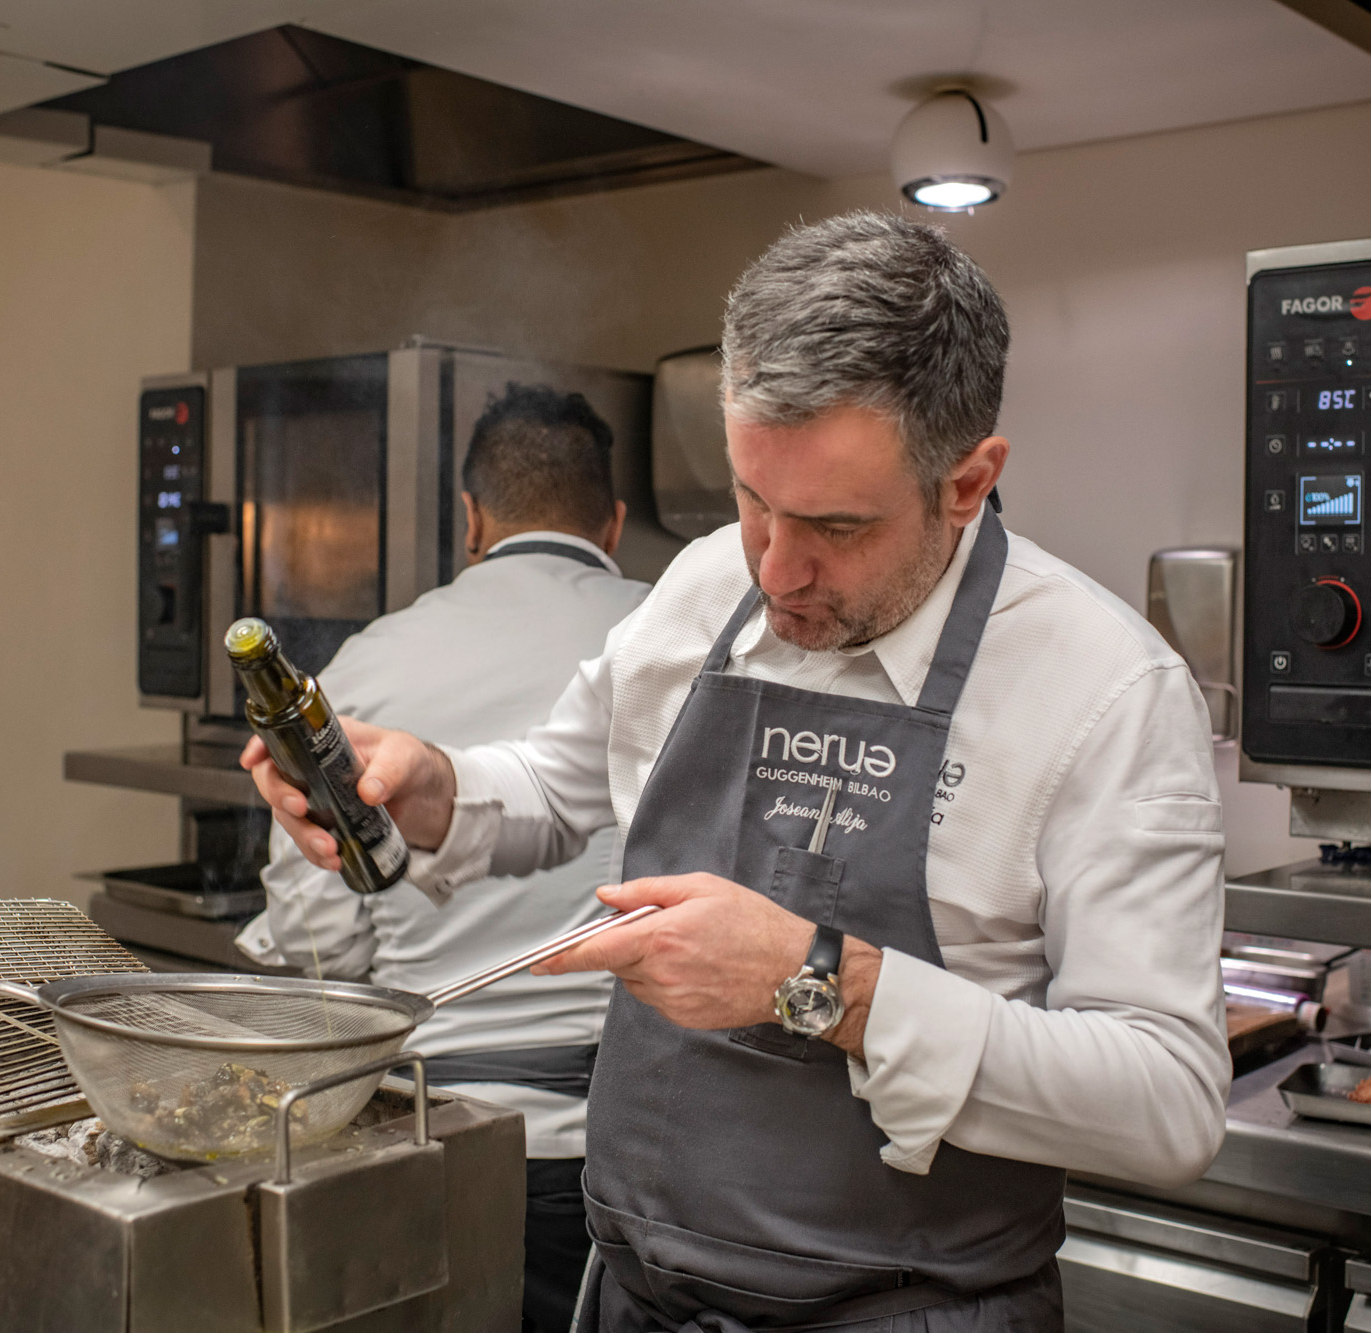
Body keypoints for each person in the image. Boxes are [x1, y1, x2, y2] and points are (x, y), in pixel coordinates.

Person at [244, 212, 1230, 1333]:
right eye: (752, 500)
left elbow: (1167, 1099)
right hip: (631, 1295)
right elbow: (559, 787)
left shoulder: (1103, 690)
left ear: (967, 482)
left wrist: (822, 984)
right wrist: (428, 785)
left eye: (834, 526)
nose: (774, 567)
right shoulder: (705, 583)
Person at [233, 382, 649, 1333]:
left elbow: (319, 954)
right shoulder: (669, 640)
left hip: (435, 1136)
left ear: (470, 518)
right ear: (614, 522)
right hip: (633, 1155)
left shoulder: (365, 663)